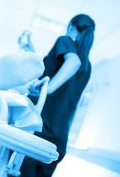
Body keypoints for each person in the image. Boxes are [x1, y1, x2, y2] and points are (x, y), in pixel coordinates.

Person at [20, 14, 95, 177]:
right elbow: (51, 70)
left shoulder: (65, 41)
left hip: (37, 131)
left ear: (71, 26)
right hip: (57, 141)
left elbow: (72, 62)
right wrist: (30, 50)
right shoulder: (88, 67)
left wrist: (47, 89)